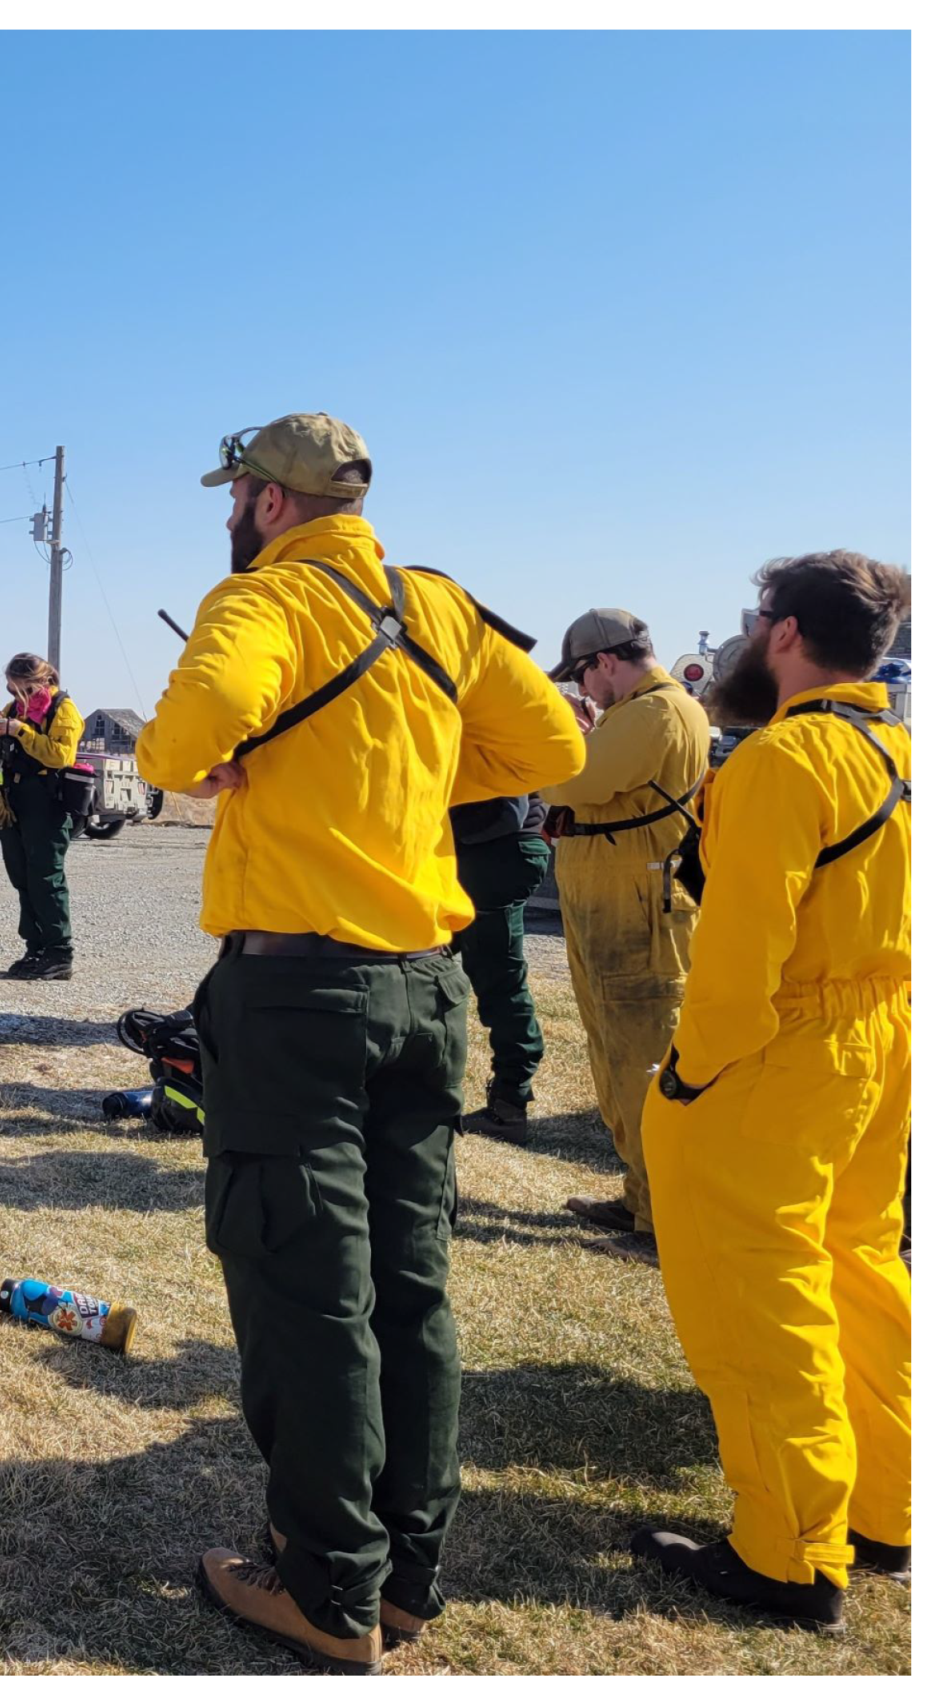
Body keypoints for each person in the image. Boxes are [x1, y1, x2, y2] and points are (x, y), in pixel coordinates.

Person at [135, 413, 582, 1673]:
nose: (229, 515)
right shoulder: (436, 605)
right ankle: (405, 1578)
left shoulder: (261, 599)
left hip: (296, 998)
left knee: (307, 1287)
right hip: (423, 989)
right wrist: (394, 771)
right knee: (410, 1286)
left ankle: (328, 1587)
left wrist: (237, 763)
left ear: (268, 504)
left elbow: (175, 745)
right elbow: (555, 745)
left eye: (234, 496)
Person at [632, 552, 912, 1629]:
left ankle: (788, 1553)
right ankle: (885, 1507)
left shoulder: (779, 761)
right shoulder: (892, 749)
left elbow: (738, 964)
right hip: (880, 1040)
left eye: (757, 620)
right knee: (856, 1266)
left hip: (785, 1052)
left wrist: (690, 1077)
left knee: (760, 1291)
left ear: (784, 632)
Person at [539, 608, 710, 1260]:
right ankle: (639, 1196)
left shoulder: (654, 713)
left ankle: (663, 1223)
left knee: (642, 1060)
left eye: (583, 674)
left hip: (635, 909)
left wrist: (559, 745)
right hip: (612, 903)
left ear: (604, 660)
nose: (583, 689)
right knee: (613, 1055)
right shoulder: (633, 713)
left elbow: (569, 779)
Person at [449, 794, 552, 1135]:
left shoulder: (486, 739)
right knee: (437, 971)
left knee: (498, 979)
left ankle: (510, 1102)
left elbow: (508, 811)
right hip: (494, 853)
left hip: (495, 855)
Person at [0, 653, 85, 980]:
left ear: (43, 682)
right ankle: (35, 947)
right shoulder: (13, 711)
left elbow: (60, 755)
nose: (17, 698)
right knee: (22, 875)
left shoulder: (63, 710)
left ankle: (59, 952)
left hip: (47, 801)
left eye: (24, 690)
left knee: (46, 876)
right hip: (14, 798)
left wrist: (20, 732)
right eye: (11, 690)